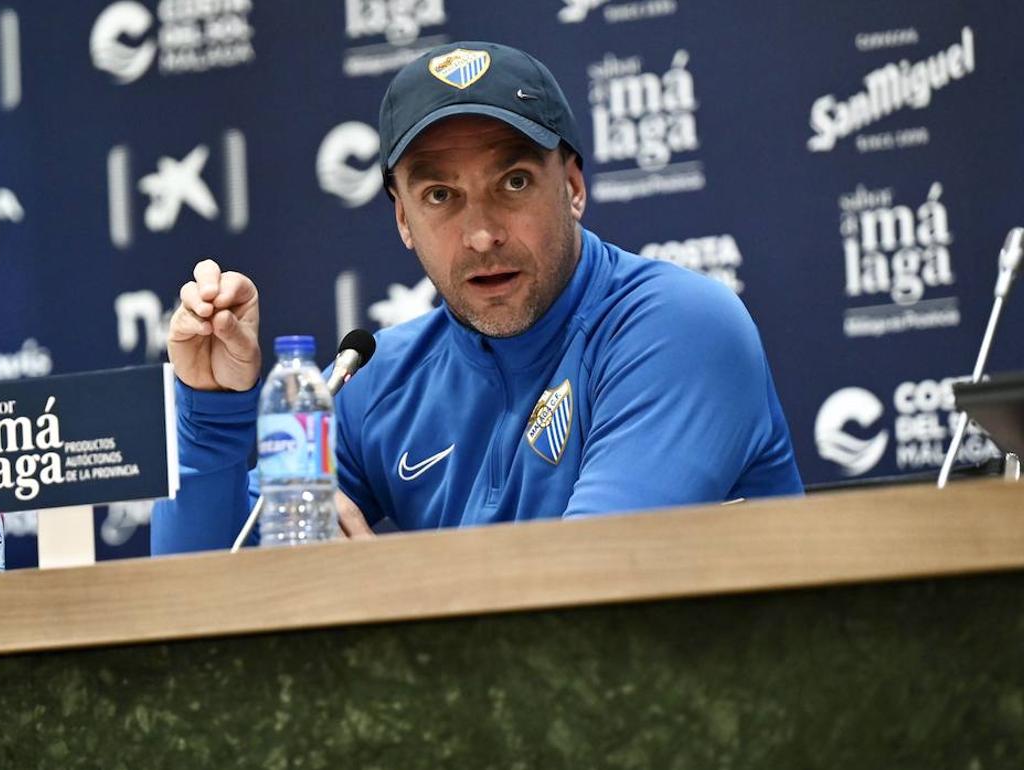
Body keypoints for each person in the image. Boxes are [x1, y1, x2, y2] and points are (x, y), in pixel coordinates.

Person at [151, 41, 803, 553]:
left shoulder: (678, 328)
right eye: (440, 197)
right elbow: (201, 603)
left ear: (573, 185)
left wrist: (372, 595)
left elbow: (593, 591)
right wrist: (210, 415)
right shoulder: (373, 379)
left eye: (514, 182)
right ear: (403, 220)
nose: (483, 234)